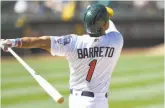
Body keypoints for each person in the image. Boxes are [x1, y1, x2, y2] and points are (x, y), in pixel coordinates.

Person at [1, 4, 123, 108]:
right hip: (100, 102)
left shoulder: (73, 42)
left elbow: (41, 41)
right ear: (104, 24)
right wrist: (105, 16)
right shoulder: (116, 40)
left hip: (77, 101)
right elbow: (109, 25)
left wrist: (12, 42)